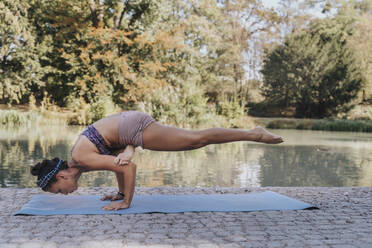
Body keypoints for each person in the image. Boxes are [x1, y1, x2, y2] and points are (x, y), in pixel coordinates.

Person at [31, 111, 283, 211]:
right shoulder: (78, 164)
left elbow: (128, 166)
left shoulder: (81, 158)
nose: (63, 194)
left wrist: (126, 202)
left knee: (196, 140)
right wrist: (118, 193)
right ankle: (254, 133)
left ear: (61, 176)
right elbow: (118, 161)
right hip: (128, 128)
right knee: (196, 140)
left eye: (58, 191)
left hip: (133, 126)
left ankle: (255, 133)